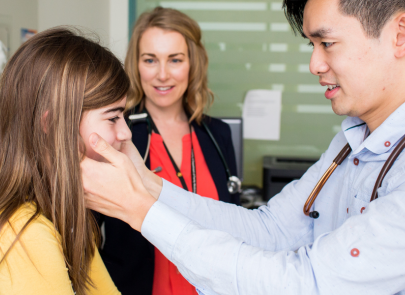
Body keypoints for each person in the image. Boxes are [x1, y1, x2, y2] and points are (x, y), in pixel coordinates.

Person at [82, 0, 405, 294]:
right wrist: (148, 183)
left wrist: (141, 210)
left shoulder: (216, 134)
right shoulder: (348, 144)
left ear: (399, 34)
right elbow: (268, 229)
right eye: (312, 44)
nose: (314, 64)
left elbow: (306, 284)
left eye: (328, 43)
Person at [0, 27, 131, 295]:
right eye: (113, 117)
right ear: (52, 124)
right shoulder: (21, 234)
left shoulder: (67, 213)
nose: (126, 133)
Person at [96, 7, 240, 295]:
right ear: (136, 65)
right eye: (150, 60)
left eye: (175, 60)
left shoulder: (218, 135)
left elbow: (234, 223)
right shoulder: (117, 134)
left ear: (193, 64)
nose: (162, 75)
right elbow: (84, 234)